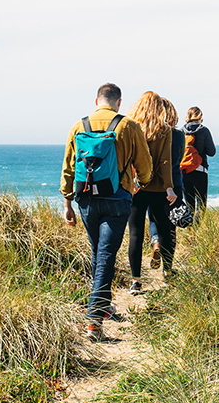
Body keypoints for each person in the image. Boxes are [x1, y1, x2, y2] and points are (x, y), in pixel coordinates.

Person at [61, 83, 152, 341]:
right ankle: (93, 320)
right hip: (118, 198)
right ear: (119, 103)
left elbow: (68, 167)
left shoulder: (79, 126)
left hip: (86, 199)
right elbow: (144, 166)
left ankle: (104, 306)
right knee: (106, 256)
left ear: (96, 101)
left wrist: (68, 204)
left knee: (98, 252)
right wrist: (141, 183)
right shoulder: (129, 126)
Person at [126, 92, 176, 294]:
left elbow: (127, 157)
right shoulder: (165, 129)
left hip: (135, 188)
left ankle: (136, 281)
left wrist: (130, 181)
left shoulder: (129, 126)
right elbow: (165, 161)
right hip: (157, 187)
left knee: (135, 233)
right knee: (165, 229)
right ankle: (168, 273)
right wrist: (169, 187)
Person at [147, 97, 185, 276]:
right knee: (171, 225)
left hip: (154, 184)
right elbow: (180, 156)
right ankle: (168, 270)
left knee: (154, 219)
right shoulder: (178, 135)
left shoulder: (150, 133)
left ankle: (155, 243)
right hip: (175, 184)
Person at [181, 106, 216, 222]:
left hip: (184, 171)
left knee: (189, 205)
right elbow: (212, 152)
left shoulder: (182, 131)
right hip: (200, 171)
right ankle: (197, 229)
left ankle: (190, 231)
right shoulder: (204, 130)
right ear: (200, 117)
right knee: (201, 204)